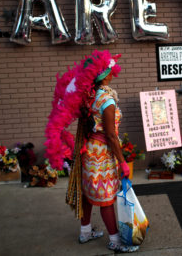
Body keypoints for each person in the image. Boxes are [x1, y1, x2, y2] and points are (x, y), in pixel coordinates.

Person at [79, 63, 139, 253]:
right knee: (105, 198)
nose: (114, 73)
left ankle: (85, 231)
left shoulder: (90, 96)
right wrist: (123, 162)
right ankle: (115, 240)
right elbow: (111, 136)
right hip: (102, 153)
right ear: (105, 76)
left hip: (89, 150)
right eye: (110, 71)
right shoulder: (107, 100)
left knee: (88, 193)